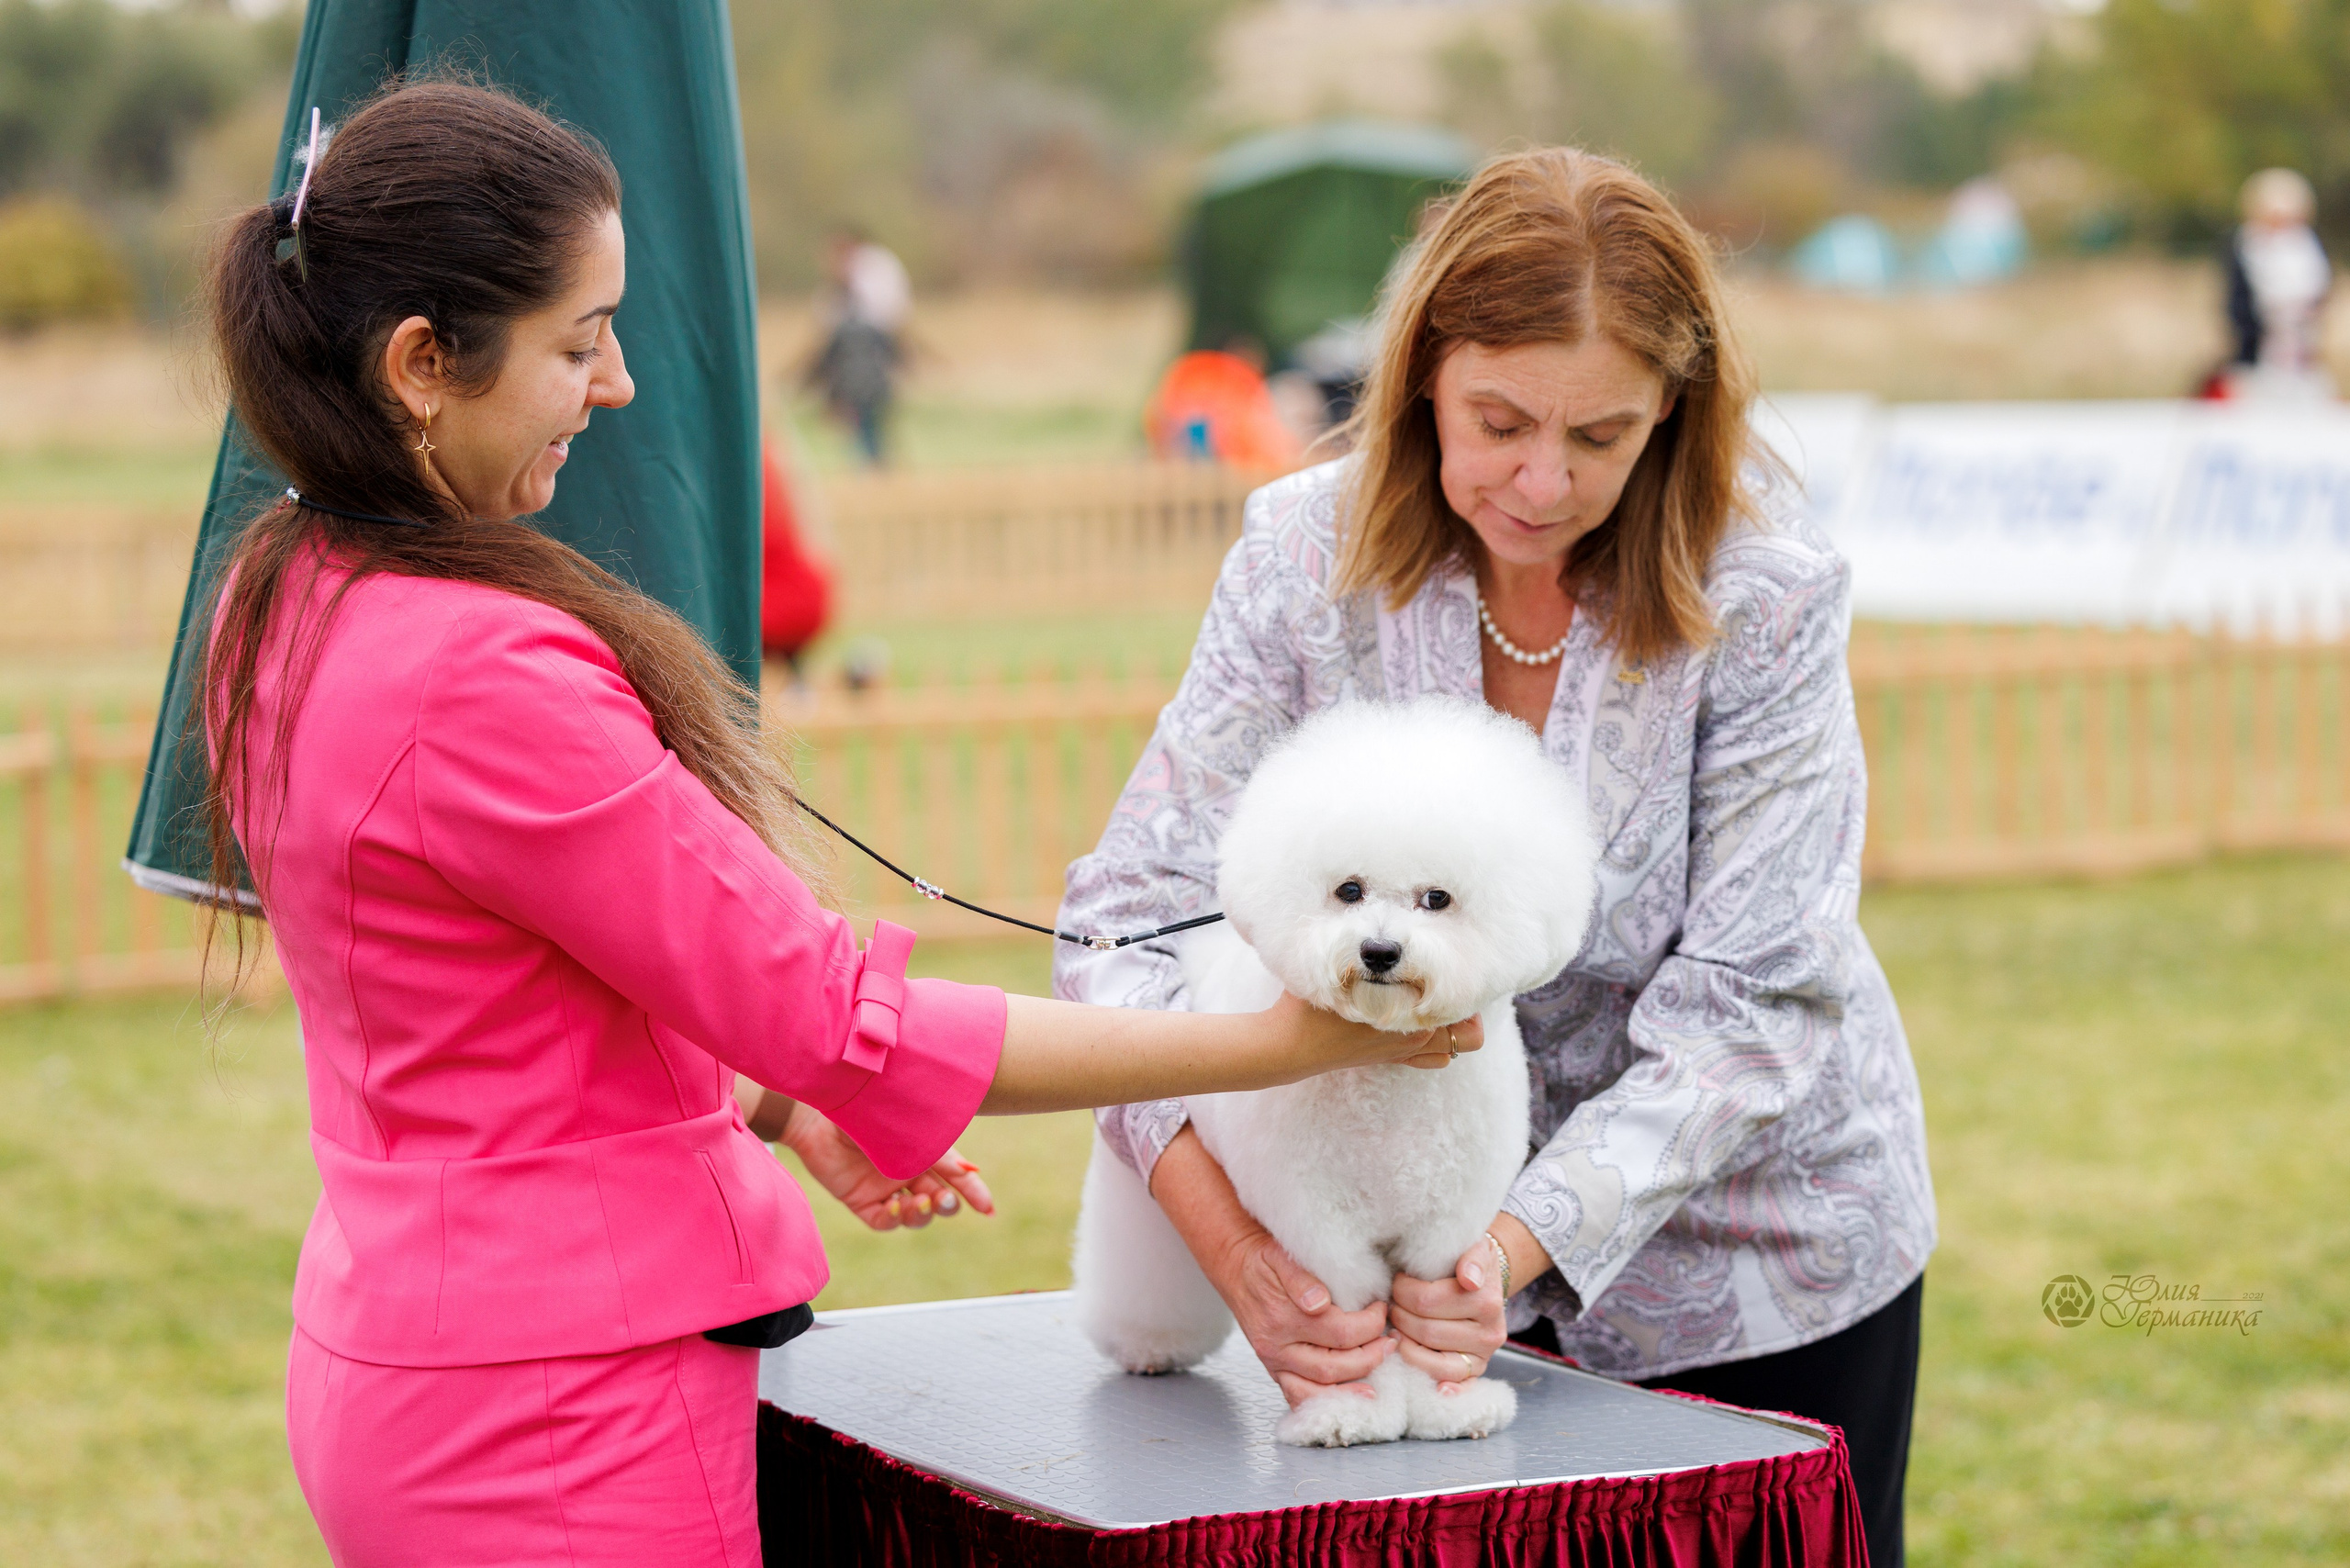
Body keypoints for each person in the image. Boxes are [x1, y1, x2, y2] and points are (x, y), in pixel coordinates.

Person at [200, 81, 1478, 1567]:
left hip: (408, 1368)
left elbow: (489, 1002)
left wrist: (766, 1103)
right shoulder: (480, 669)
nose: (614, 383)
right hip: (560, 1421)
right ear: (424, 363)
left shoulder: (288, 588)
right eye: (578, 339)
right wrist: (1297, 1040)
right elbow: (833, 1012)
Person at [1057, 147, 1937, 1567]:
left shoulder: (1767, 600)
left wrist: (1505, 1252)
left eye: (1601, 436)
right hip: (1373, 1293)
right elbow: (1122, 927)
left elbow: (1756, 1003)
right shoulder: (1297, 558)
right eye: (1501, 420)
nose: (1543, 479)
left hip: (1756, 1270)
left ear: (1674, 416)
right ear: (1420, 378)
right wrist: (1238, 1256)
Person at [2220, 168, 2335, 402]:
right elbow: (2239, 305)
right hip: (2259, 353)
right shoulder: (2247, 246)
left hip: (2302, 352)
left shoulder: (2307, 246)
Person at [803, 228, 908, 465]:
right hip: (857, 364)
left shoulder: (873, 277)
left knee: (868, 419)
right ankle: (872, 464)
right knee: (862, 422)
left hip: (864, 363)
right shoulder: (836, 294)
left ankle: (874, 464)